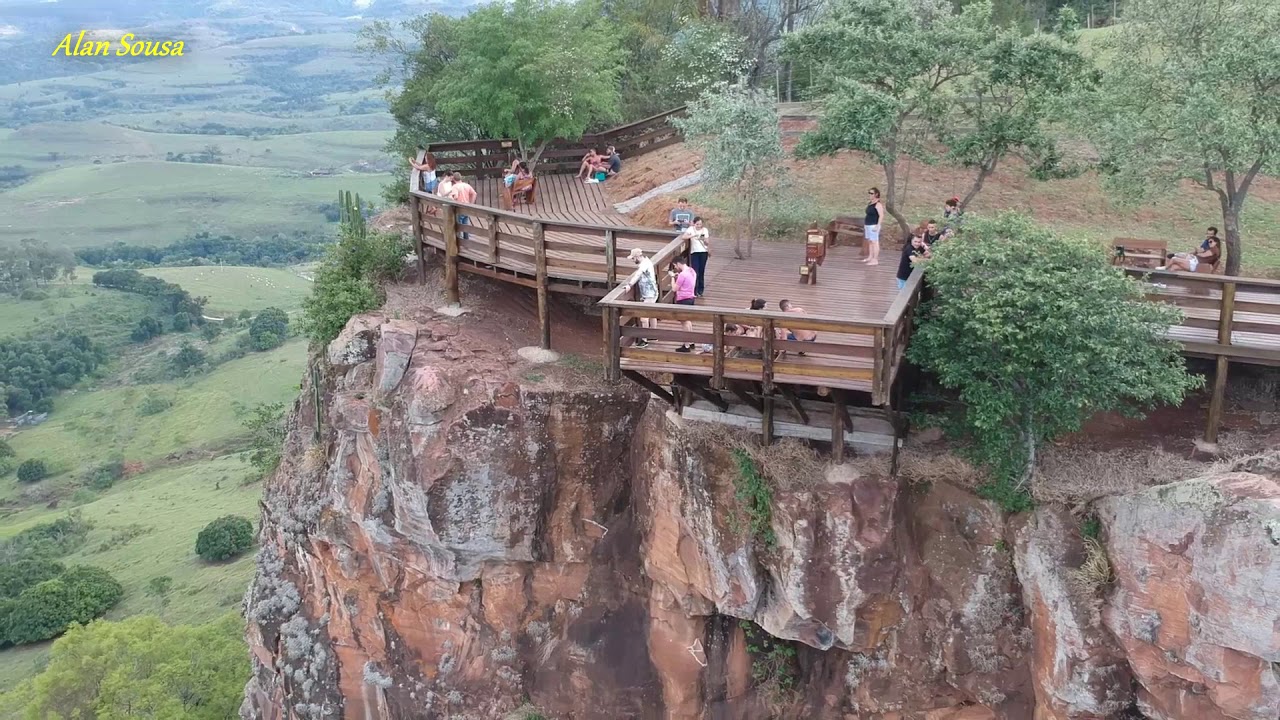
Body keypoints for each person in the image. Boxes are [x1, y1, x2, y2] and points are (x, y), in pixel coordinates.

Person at [624, 248, 659, 348]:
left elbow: (638, 274)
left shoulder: (644, 265)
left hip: (649, 294)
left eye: (633, 258)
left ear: (638, 256)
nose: (633, 260)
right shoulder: (647, 261)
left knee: (644, 318)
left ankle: (644, 340)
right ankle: (653, 335)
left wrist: (629, 285)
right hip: (652, 293)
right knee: (652, 314)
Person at [671, 259, 699, 353]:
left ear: (678, 264)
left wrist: (672, 278)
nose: (675, 268)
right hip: (691, 297)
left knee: (684, 322)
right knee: (688, 320)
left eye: (675, 266)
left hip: (683, 299)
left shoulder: (682, 275)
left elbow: (674, 289)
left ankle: (686, 345)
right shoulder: (692, 271)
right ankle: (691, 341)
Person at [679, 217, 710, 297]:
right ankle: (694, 290)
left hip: (703, 252)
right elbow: (683, 237)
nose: (699, 226)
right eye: (697, 224)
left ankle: (700, 290)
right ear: (694, 223)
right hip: (694, 252)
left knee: (701, 271)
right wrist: (692, 235)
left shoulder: (705, 230)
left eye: (700, 224)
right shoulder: (691, 229)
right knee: (695, 271)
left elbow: (707, 242)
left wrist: (704, 240)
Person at [447, 172, 477, 240]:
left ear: (453, 179)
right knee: (465, 224)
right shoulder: (467, 185)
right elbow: (474, 194)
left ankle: (459, 241)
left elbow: (456, 196)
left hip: (459, 208)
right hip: (466, 207)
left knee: (458, 225)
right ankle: (466, 240)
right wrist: (471, 203)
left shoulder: (455, 187)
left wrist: (450, 198)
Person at [862, 188, 885, 265]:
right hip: (868, 225)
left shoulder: (878, 204)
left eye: (872, 193)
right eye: (869, 193)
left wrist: (878, 225)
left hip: (873, 225)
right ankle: (870, 257)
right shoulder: (870, 203)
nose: (870, 195)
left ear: (876, 194)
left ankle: (875, 259)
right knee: (870, 241)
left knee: (875, 242)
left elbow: (881, 215)